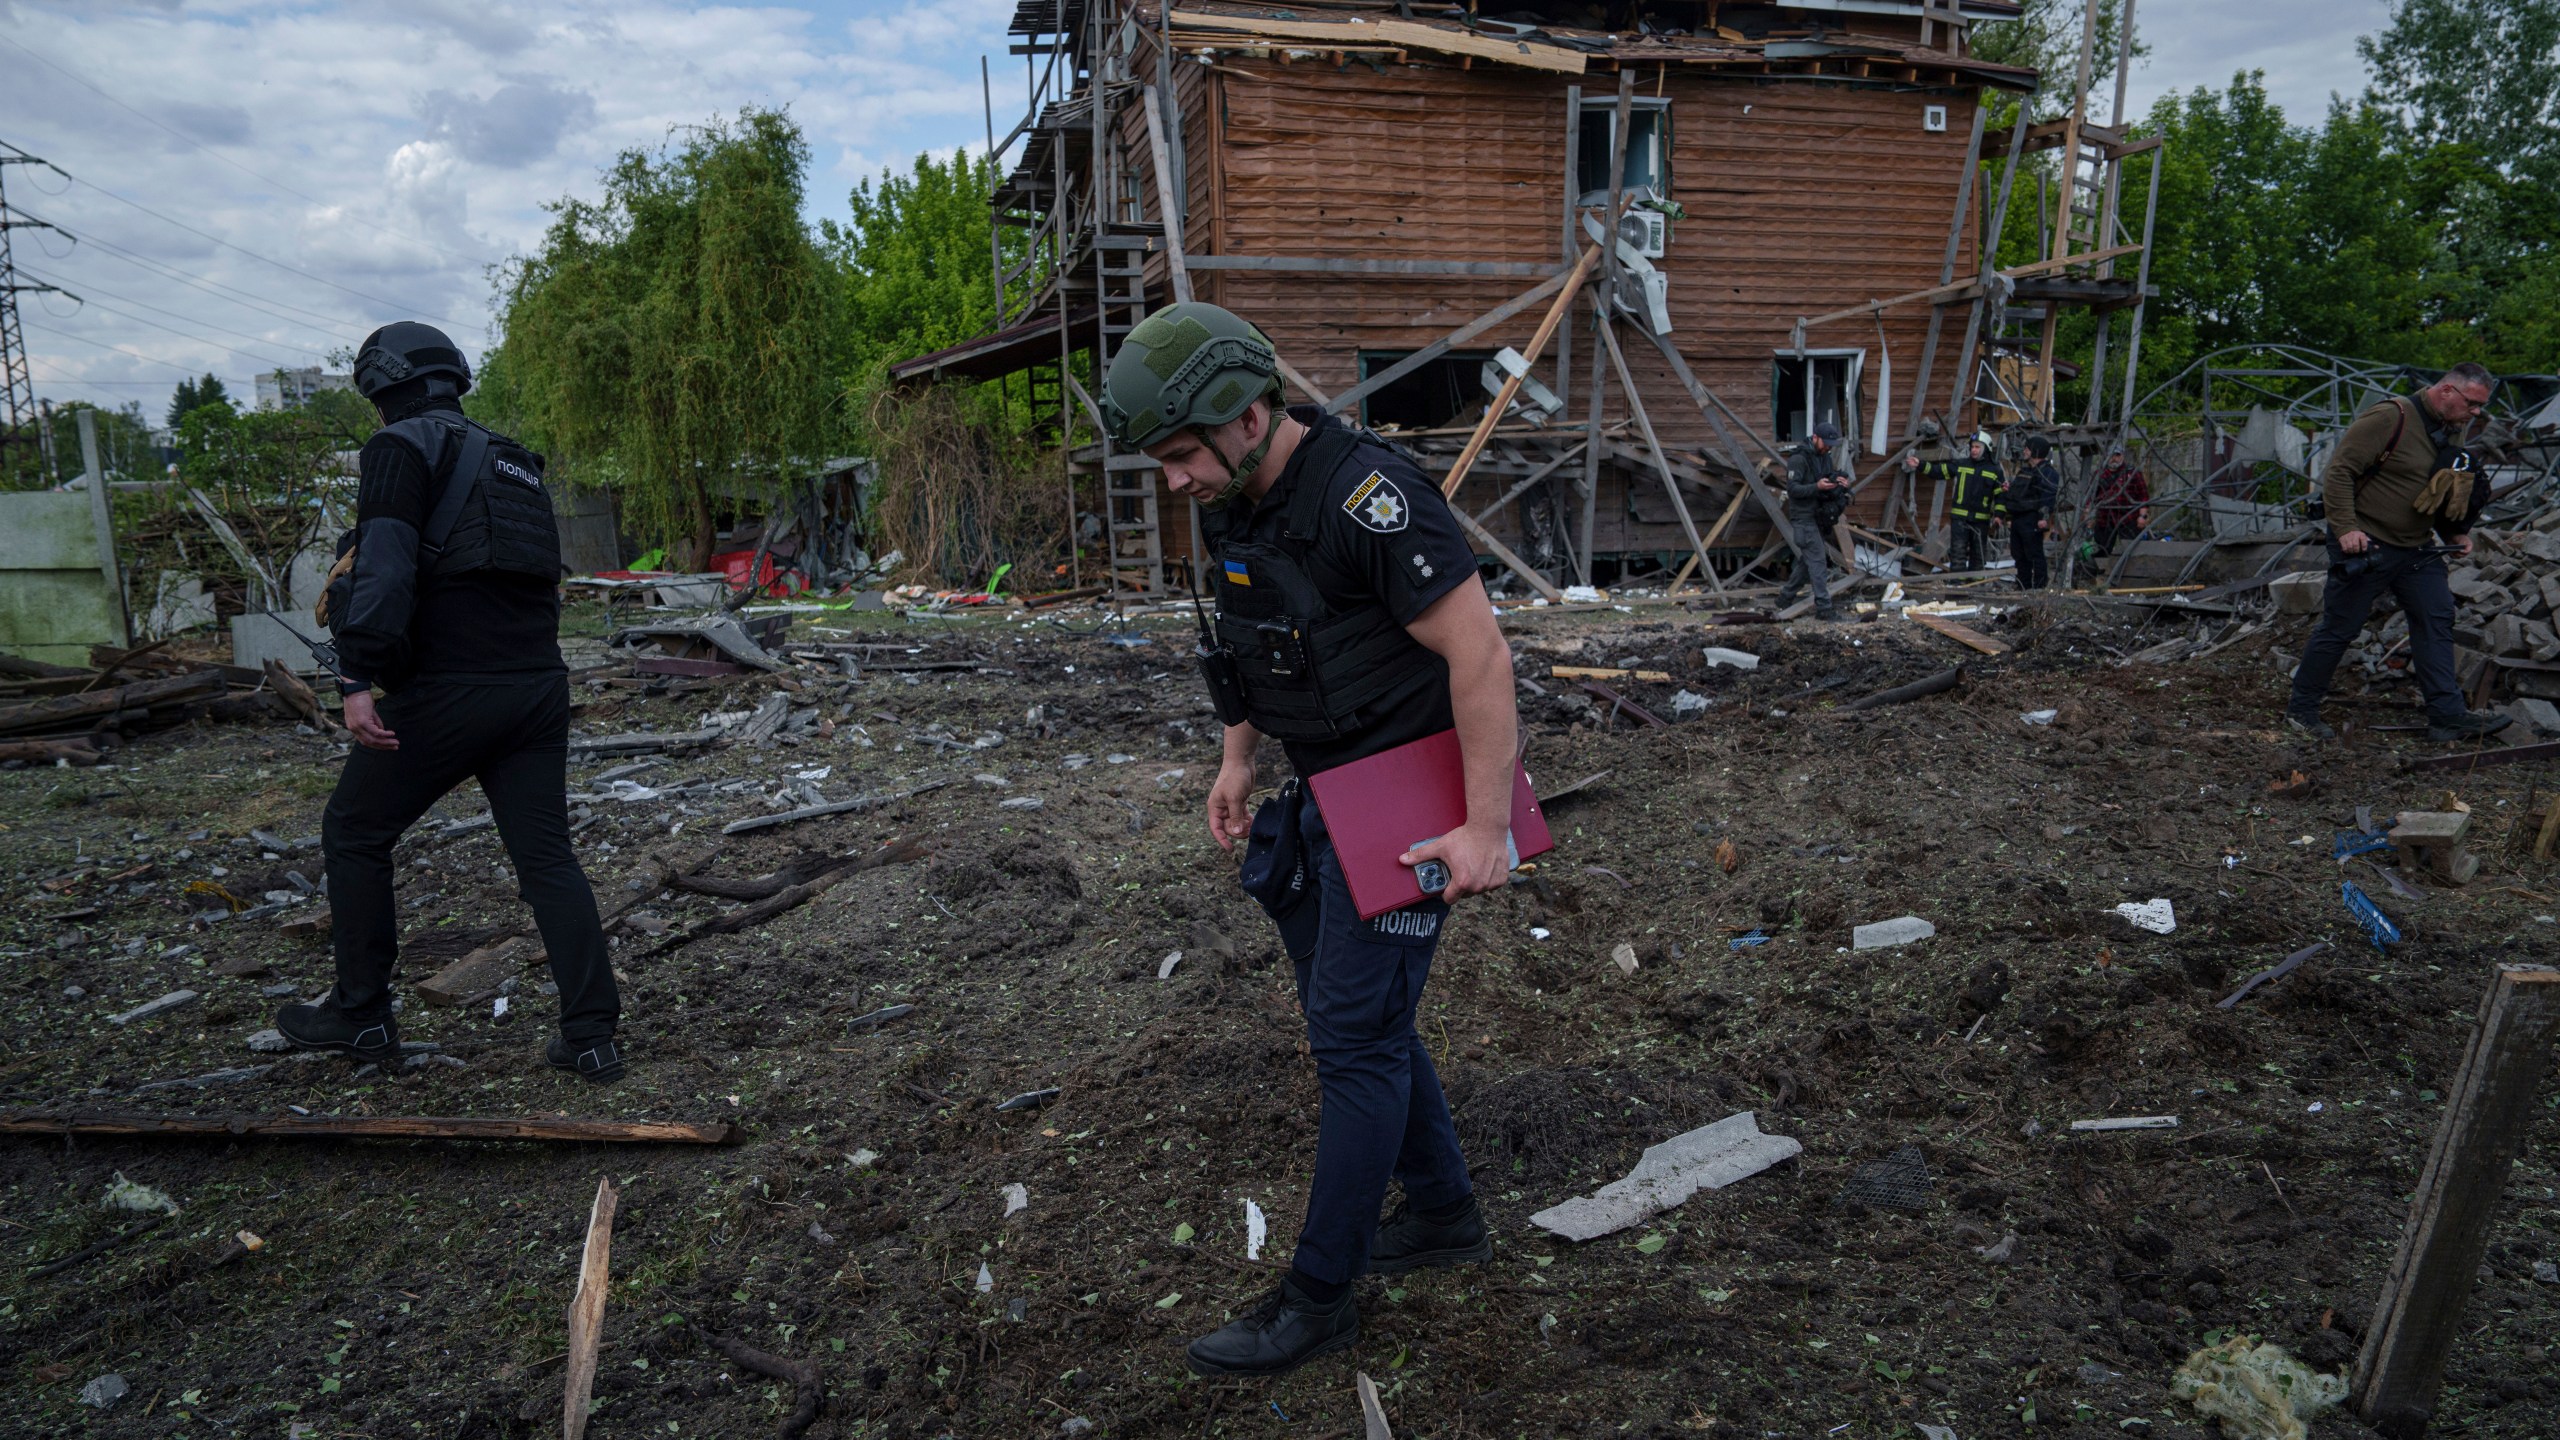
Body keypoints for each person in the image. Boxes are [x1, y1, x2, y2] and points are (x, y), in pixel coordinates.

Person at [1101, 302, 1513, 1379]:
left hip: (1410, 798)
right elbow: (1254, 637)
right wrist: (1238, 756)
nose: (1173, 481)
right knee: (1366, 1021)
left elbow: (1478, 656)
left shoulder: (1368, 498)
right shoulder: (1232, 495)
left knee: (1354, 1037)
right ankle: (1441, 1214)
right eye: (1160, 462)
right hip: (1323, 791)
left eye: (1182, 456)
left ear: (1246, 415)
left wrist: (1480, 828)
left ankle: (1319, 1296)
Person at [274, 322, 626, 1082]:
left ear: (383, 389)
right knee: (548, 860)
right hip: (537, 689)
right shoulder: (517, 461)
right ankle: (592, 1036)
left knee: (355, 830)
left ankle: (361, 1016)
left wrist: (356, 679)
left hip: (448, 692)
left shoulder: (400, 448)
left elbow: (388, 568)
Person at [2286, 363, 2513, 744]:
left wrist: (2454, 533)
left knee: (2435, 620)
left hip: (2416, 548)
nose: (2475, 414)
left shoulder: (2452, 430)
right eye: (2472, 404)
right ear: (2447, 392)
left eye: (2480, 408)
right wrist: (2346, 529)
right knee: (2341, 627)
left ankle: (2447, 716)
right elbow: (2339, 472)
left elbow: (2439, 489)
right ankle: (2302, 710)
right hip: (2367, 541)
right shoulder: (2389, 417)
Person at [1773, 421, 1851, 619]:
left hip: (1818, 516)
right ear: (1815, 438)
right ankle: (1824, 609)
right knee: (1818, 563)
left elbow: (1826, 476)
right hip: (1803, 518)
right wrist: (1817, 487)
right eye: (1825, 443)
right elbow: (1793, 489)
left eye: (1830, 445)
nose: (1827, 448)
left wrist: (1838, 480)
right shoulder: (1798, 459)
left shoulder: (1824, 456)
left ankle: (1784, 598)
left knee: (1808, 563)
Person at [1918, 434, 2003, 572]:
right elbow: (1938, 471)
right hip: (1959, 518)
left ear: (1986, 449)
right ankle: (1957, 581)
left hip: (1981, 520)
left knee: (1978, 553)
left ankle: (1976, 581)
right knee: (1958, 550)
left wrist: (1999, 515)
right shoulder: (1961, 464)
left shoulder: (1995, 470)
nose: (1973, 450)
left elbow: (2001, 496)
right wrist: (1920, 465)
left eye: (1977, 447)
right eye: (1972, 447)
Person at [2004, 435, 2058, 589]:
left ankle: (2039, 586)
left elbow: (2048, 497)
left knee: (2034, 553)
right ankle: (2023, 585)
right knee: (2018, 554)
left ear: (2036, 451)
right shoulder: (2025, 471)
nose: (2025, 451)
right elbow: (2018, 492)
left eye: (2028, 448)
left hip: (2032, 518)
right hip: (2018, 518)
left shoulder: (2047, 473)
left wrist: (2043, 517)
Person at [2089, 446, 2149, 557]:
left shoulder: (2132, 473)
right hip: (2105, 518)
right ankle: (2102, 571)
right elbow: (2090, 497)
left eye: (2117, 455)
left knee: (2130, 550)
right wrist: (2088, 515)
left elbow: (2143, 497)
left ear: (2122, 456)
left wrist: (2142, 516)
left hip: (2128, 518)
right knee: (2102, 550)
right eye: (2111, 455)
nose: (2114, 458)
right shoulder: (2099, 474)